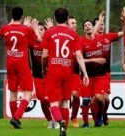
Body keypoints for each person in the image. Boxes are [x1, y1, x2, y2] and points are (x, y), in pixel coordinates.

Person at [41, 7, 89, 136]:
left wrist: (43, 67)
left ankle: (60, 121)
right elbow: (79, 56)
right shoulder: (73, 35)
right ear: (67, 19)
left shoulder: (49, 33)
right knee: (65, 102)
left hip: (54, 71)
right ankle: (64, 130)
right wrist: (85, 73)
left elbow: (44, 55)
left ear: (55, 18)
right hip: (68, 72)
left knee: (53, 102)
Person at [0, 6, 41, 129]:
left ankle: (15, 120)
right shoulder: (26, 29)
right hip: (23, 65)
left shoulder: (6, 28)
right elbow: (39, 40)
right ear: (22, 17)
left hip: (10, 64)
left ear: (12, 16)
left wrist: (10, 24)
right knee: (28, 94)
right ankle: (16, 117)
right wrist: (35, 29)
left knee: (13, 92)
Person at [92, 9, 125, 126]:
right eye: (99, 24)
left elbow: (124, 32)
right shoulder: (92, 39)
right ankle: (96, 118)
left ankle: (103, 114)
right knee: (96, 99)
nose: (101, 26)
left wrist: (123, 22)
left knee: (105, 99)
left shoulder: (108, 37)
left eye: (102, 24)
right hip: (92, 74)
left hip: (105, 73)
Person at [29, 22, 59, 129]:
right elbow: (23, 39)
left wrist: (50, 28)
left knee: (49, 99)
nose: (40, 31)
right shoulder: (32, 44)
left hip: (49, 76)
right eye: (39, 29)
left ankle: (56, 119)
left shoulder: (49, 43)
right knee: (42, 100)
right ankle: (50, 121)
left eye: (42, 29)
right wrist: (28, 27)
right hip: (37, 76)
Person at [79, 19, 106, 128]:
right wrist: (94, 60)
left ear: (92, 26)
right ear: (84, 29)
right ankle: (86, 123)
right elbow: (79, 59)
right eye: (85, 25)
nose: (87, 26)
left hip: (99, 76)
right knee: (86, 100)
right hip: (87, 76)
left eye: (89, 24)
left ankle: (100, 114)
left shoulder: (100, 39)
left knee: (99, 98)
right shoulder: (81, 41)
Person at [67, 16, 80, 128]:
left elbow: (81, 57)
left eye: (76, 22)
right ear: (67, 25)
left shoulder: (78, 39)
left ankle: (74, 116)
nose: (75, 24)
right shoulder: (63, 38)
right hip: (63, 71)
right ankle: (59, 119)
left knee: (75, 95)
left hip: (75, 72)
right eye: (72, 23)